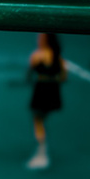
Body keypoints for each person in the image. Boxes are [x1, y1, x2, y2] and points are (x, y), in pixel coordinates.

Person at [26, 31, 65, 170]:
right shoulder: (57, 56)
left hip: (41, 91)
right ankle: (42, 149)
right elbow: (63, 76)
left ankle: (42, 152)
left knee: (38, 120)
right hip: (53, 91)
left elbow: (29, 75)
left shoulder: (36, 55)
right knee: (41, 119)